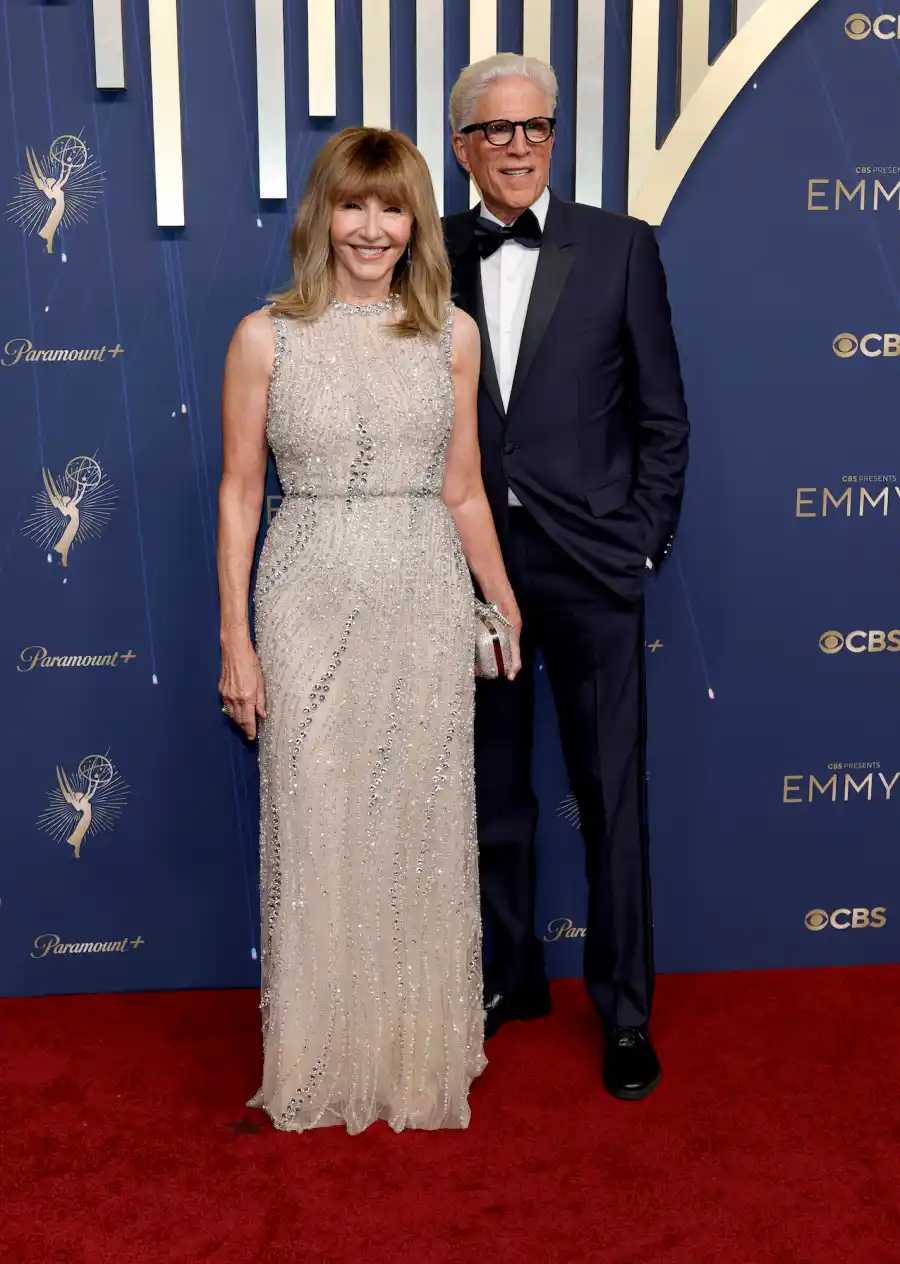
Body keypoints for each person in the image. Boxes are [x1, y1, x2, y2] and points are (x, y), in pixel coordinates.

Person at [216, 127, 522, 1134]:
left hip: (422, 595)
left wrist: (501, 594)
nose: (374, 228)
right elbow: (241, 492)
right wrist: (237, 639)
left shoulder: (453, 336)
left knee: (417, 826)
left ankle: (410, 1051)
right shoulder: (267, 335)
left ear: (418, 222)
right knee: (317, 819)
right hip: (304, 591)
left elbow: (465, 486)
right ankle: (320, 1057)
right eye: (355, 205)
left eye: (394, 209)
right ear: (322, 214)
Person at [445, 54, 689, 1100]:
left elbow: (663, 420)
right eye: (496, 131)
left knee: (610, 794)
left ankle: (625, 1012)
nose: (518, 145)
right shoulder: (428, 251)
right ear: (463, 147)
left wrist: (639, 542)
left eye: (535, 126)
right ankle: (511, 978)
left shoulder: (624, 248)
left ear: (555, 135)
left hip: (594, 564)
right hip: (466, 570)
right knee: (489, 790)